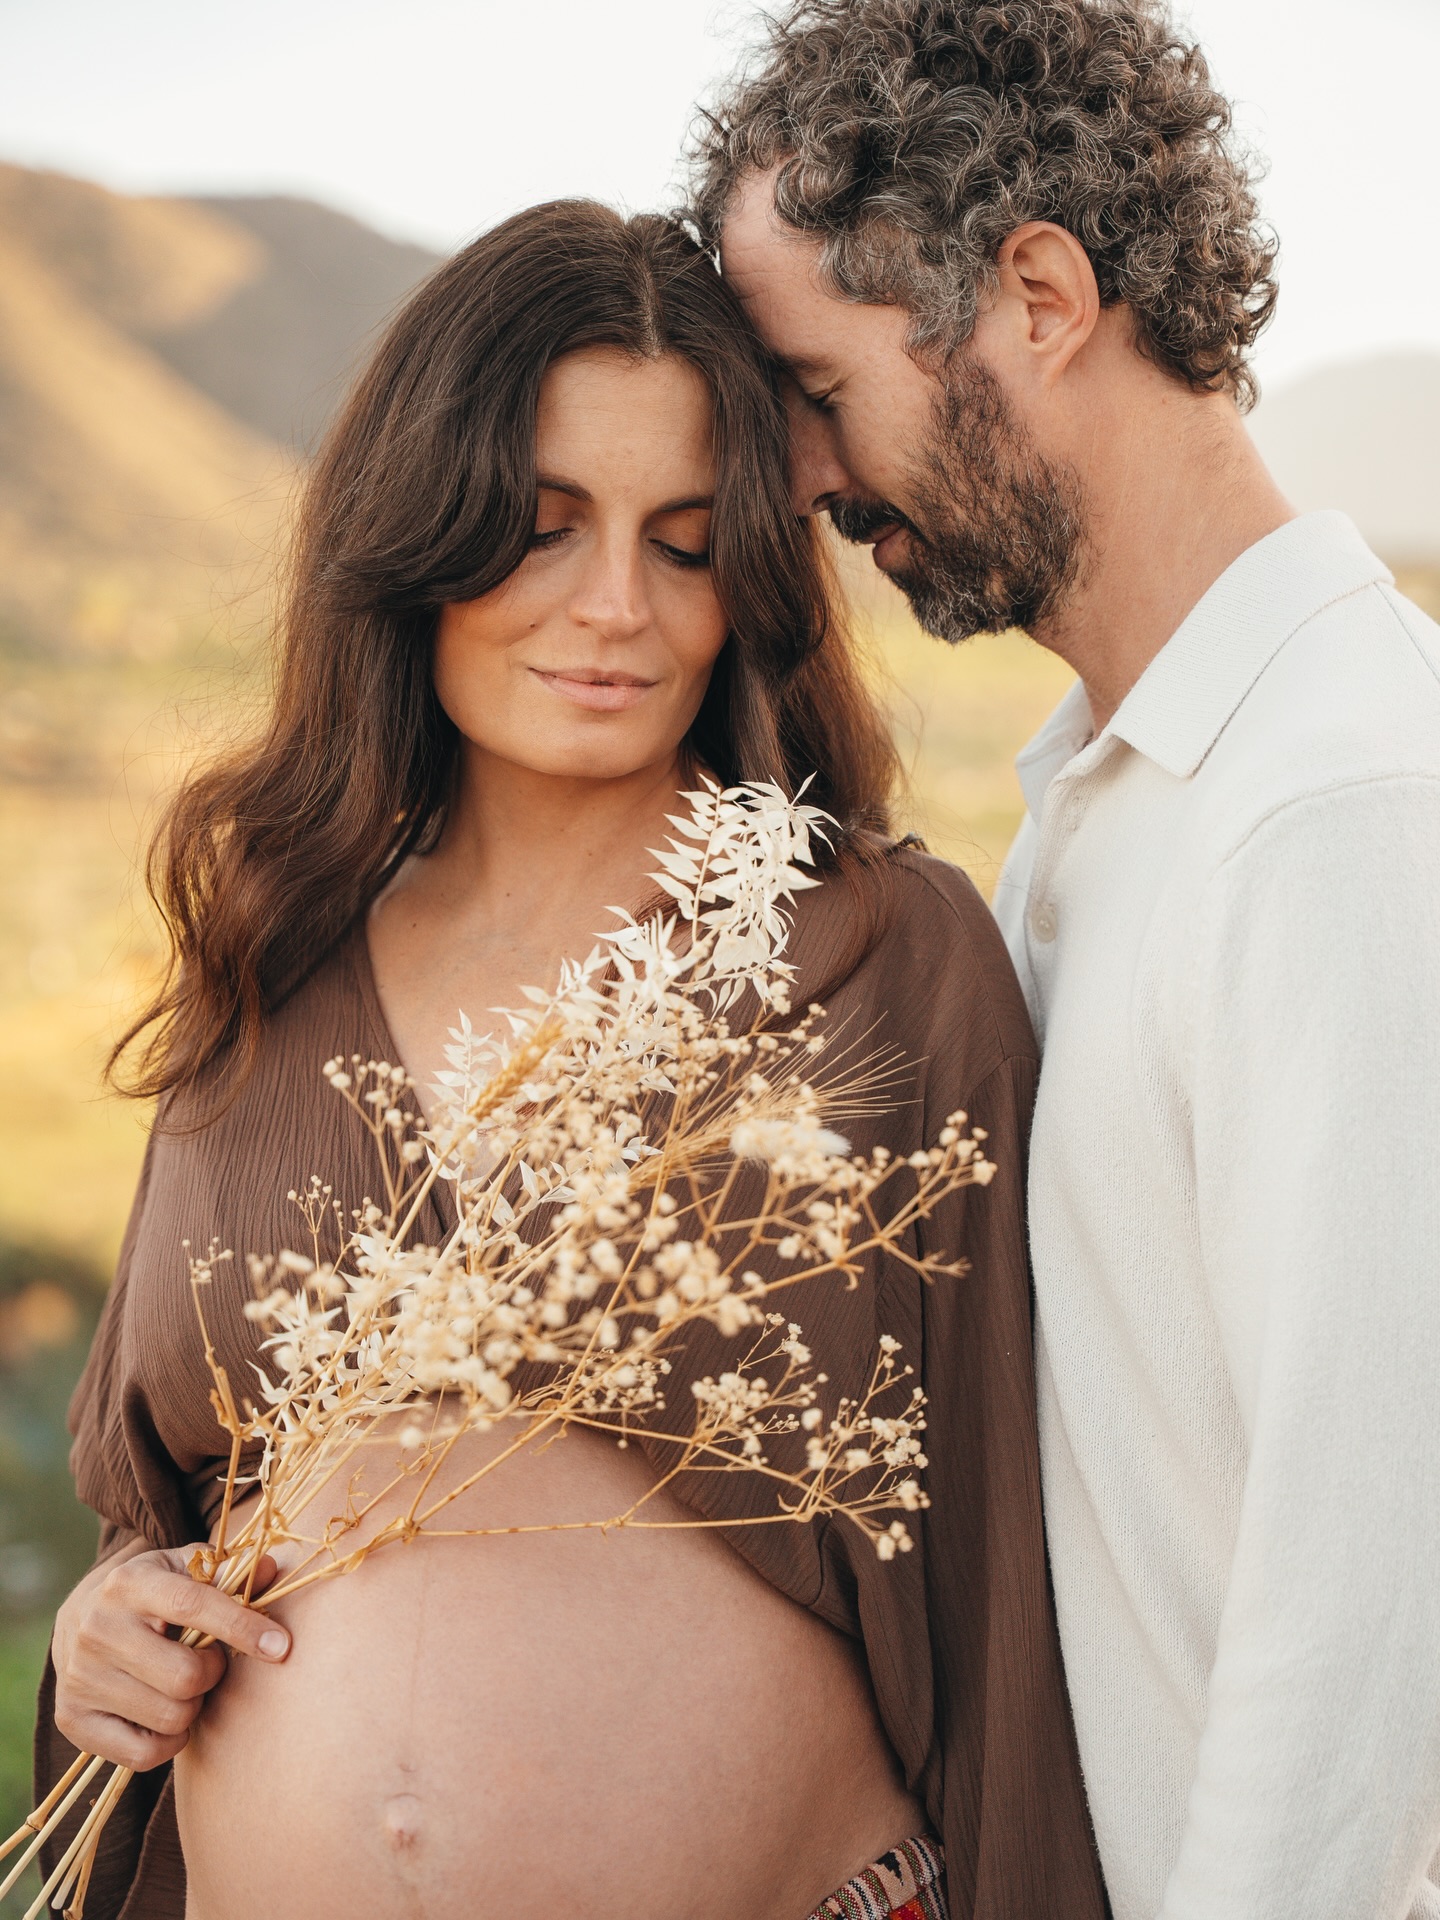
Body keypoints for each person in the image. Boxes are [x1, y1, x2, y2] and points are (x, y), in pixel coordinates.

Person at [36, 201, 1105, 1920]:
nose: (615, 608)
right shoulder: (274, 956)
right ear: (416, 535)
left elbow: (1000, 1577)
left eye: (686, 543)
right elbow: (156, 1506)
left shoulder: (881, 962)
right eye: (540, 529)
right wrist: (102, 1638)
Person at [696, 3, 1440, 1917]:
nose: (800, 482)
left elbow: (1369, 1599)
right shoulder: (1113, 807)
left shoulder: (1334, 808)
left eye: (815, 385)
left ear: (1036, 293)